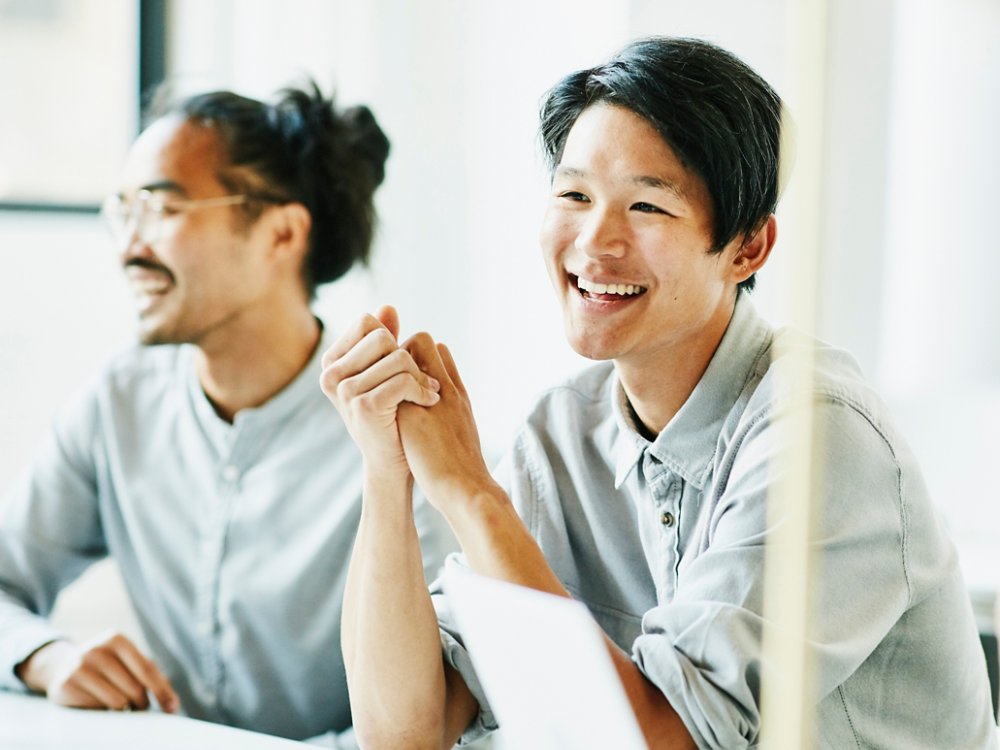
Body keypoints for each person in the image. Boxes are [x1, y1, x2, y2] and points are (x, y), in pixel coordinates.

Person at [320, 37, 998, 749]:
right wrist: (387, 469)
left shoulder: (822, 441)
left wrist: (467, 489)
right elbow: (404, 731)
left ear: (747, 249)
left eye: (647, 206)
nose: (594, 241)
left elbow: (662, 738)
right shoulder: (561, 431)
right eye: (574, 195)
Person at [0, 82, 453, 743]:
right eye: (121, 210)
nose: (128, 246)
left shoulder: (397, 433)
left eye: (159, 208)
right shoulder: (118, 401)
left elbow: (445, 715)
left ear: (281, 232)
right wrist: (46, 656)